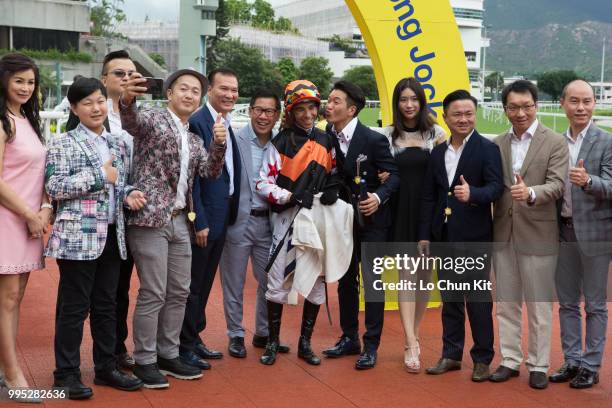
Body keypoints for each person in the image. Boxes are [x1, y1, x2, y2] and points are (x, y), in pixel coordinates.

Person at [120, 69, 226, 389]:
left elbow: (209, 172)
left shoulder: (194, 138)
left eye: (196, 91)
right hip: (150, 219)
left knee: (180, 291)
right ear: (169, 93)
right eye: (184, 89)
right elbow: (130, 121)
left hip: (181, 220)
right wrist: (127, 99)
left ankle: (169, 353)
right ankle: (145, 359)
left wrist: (219, 145)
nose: (190, 95)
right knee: (154, 291)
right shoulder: (153, 119)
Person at [45, 77, 145, 399]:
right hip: (77, 238)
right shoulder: (62, 143)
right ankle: (66, 373)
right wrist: (102, 175)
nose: (96, 107)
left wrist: (129, 194)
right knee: (74, 308)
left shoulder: (119, 142)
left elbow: (121, 182)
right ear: (74, 108)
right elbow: (56, 187)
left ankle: (106, 367)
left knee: (107, 305)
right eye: (87, 102)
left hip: (113, 235)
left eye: (100, 100)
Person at [255, 80, 352, 366]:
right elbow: (262, 183)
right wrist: (290, 196)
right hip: (287, 218)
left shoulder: (327, 139)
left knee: (317, 281)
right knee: (277, 281)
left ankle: (305, 344)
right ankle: (272, 342)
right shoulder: (280, 142)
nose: (308, 114)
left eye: (312, 107)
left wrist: (334, 187)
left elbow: (336, 172)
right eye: (301, 109)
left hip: (318, 218)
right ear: (291, 111)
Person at [489, 80, 569, 390]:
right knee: (507, 302)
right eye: (513, 107)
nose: (520, 112)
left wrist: (531, 192)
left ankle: (538, 363)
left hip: (538, 233)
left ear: (536, 106)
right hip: (503, 232)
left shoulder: (555, 142)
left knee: (538, 305)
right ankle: (509, 359)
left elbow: (557, 184)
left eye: (526, 106)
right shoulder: (496, 143)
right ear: (505, 109)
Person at [418, 90, 503, 382]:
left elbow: (496, 188)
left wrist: (473, 194)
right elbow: (429, 196)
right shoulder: (438, 153)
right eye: (457, 114)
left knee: (478, 300)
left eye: (469, 113)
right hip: (443, 236)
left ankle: (482, 359)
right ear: (445, 117)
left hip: (475, 237)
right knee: (451, 299)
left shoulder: (487, 149)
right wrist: (425, 234)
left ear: (475, 115)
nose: (463, 119)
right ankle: (451, 354)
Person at [322, 80, 399, 370]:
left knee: (373, 283)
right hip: (341, 221)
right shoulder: (325, 136)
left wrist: (379, 198)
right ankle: (349, 337)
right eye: (328, 101)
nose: (329, 106)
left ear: (351, 109)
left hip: (373, 221)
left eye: (335, 101)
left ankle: (371, 345)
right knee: (345, 280)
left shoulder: (374, 139)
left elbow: (393, 175)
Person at [218, 89, 291, 357]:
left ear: (277, 115)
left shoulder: (282, 144)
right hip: (238, 222)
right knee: (234, 282)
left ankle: (264, 333)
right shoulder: (233, 141)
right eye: (258, 110)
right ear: (249, 111)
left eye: (269, 111)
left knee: (269, 281)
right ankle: (235, 334)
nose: (263, 116)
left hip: (269, 224)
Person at [549, 79, 612, 389]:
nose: (581, 107)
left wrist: (588, 182)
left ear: (594, 104)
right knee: (568, 303)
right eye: (574, 101)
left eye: (587, 101)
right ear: (563, 104)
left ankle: (591, 364)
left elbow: (611, 187)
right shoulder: (556, 142)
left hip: (597, 235)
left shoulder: (607, 141)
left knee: (596, 305)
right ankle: (572, 360)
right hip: (563, 232)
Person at [380, 77, 445, 372]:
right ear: (396, 103)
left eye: (414, 99)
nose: (409, 105)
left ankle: (414, 333)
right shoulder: (387, 135)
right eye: (403, 99)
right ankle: (410, 342)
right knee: (406, 275)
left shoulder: (437, 134)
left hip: (429, 212)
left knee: (423, 279)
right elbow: (377, 171)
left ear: (422, 102)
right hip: (401, 211)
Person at [179, 68, 240, 367]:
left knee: (203, 284)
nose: (230, 95)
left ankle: (194, 337)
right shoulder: (198, 122)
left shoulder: (224, 122)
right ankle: (183, 345)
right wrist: (198, 220)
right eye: (224, 89)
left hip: (222, 215)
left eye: (234, 90)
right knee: (192, 285)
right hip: (204, 219)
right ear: (210, 91)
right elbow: (194, 179)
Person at [0, 53, 49, 399]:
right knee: (7, 299)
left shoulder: (29, 120)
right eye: (19, 80)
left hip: (30, 223)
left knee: (14, 300)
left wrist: (45, 208)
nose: (25, 88)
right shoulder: (2, 121)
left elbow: (38, 173)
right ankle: (14, 375)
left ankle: (6, 368)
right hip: (8, 219)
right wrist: (30, 215)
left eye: (30, 82)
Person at [100, 49, 138, 371]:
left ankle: (118, 347)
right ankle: (105, 355)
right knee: (103, 293)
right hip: (104, 217)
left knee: (123, 289)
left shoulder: (141, 115)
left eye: (130, 74)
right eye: (118, 74)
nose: (126, 78)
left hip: (134, 215)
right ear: (104, 79)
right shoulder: (92, 113)